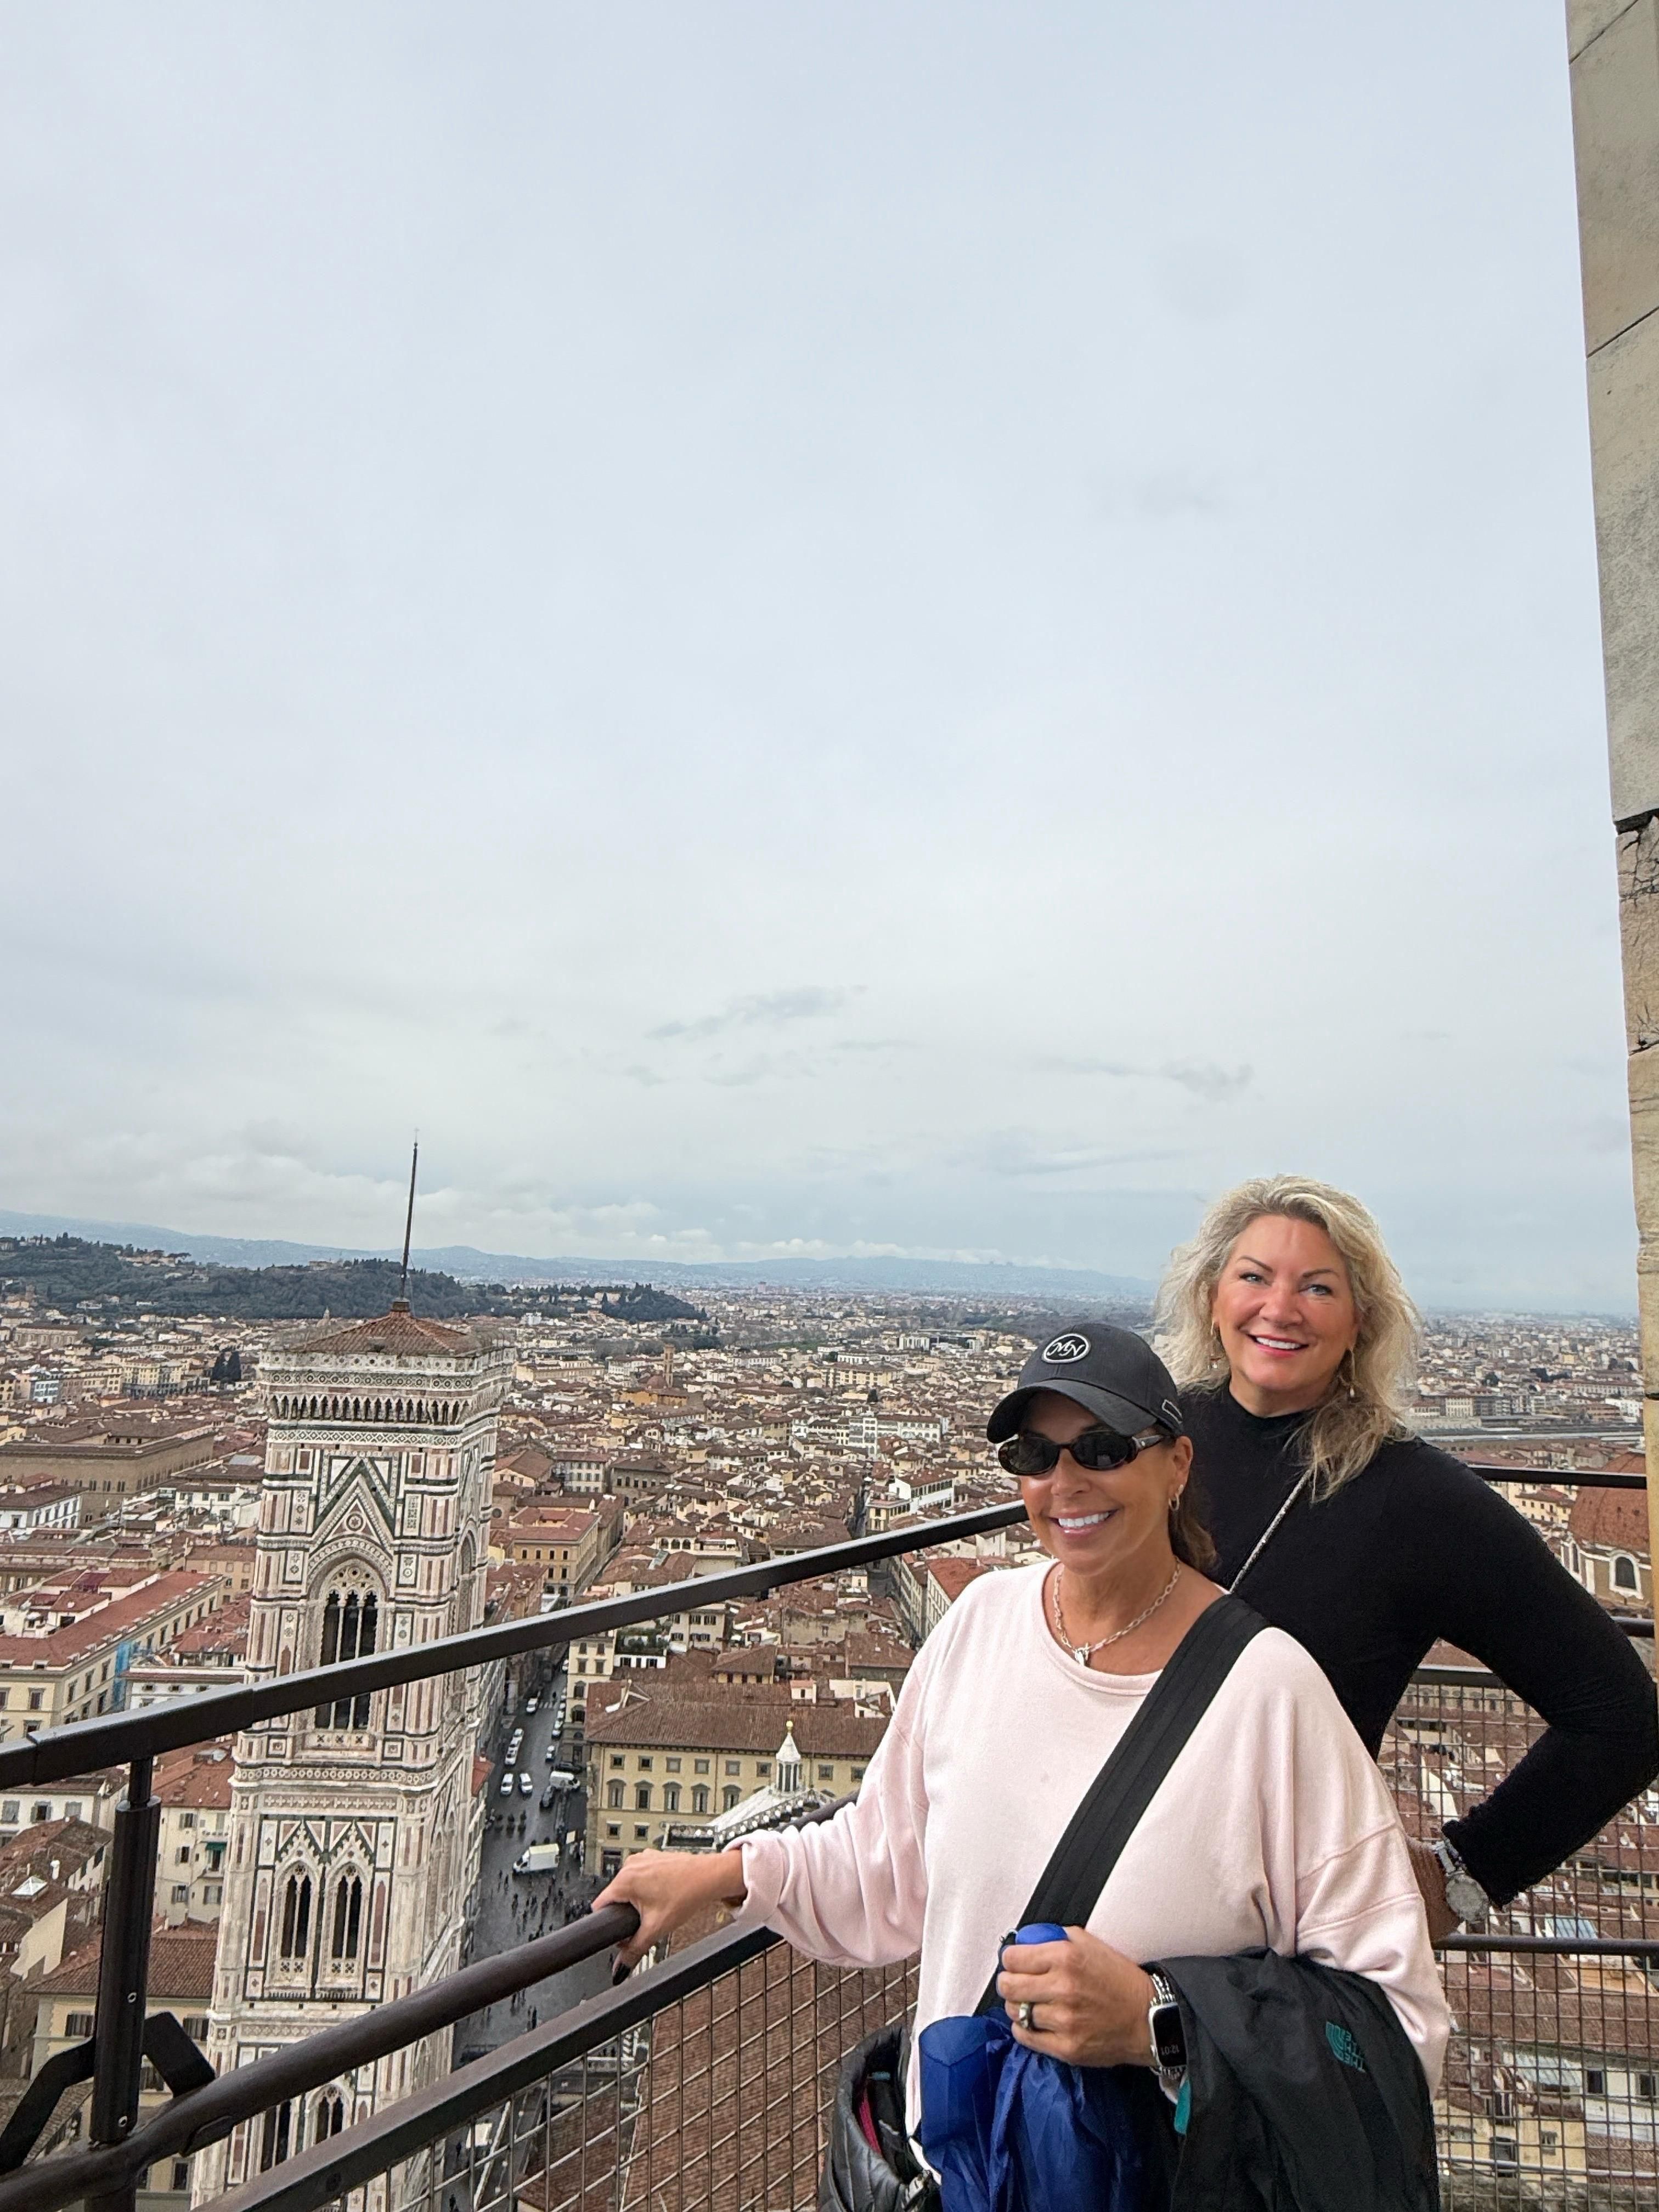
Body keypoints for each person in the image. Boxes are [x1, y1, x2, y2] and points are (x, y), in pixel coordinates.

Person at [592, 1324, 1447, 2157]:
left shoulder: (1273, 1695)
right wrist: (720, 1874)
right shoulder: (981, 1623)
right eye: (1035, 1455)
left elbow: (1400, 2028)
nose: (1065, 1482)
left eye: (1103, 1449)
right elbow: (886, 1862)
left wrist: (1158, 2022)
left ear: (1178, 1464)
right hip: (966, 2168)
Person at [1159, 1173, 1659, 1938]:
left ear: (1360, 1321)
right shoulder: (1147, 1440)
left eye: (1318, 1287)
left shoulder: (1420, 1500)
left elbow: (1623, 1720)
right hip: (1103, 1872)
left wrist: (1464, 1875)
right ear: (1211, 1297)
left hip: (1271, 1935)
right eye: (1254, 1277)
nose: (1280, 1308)